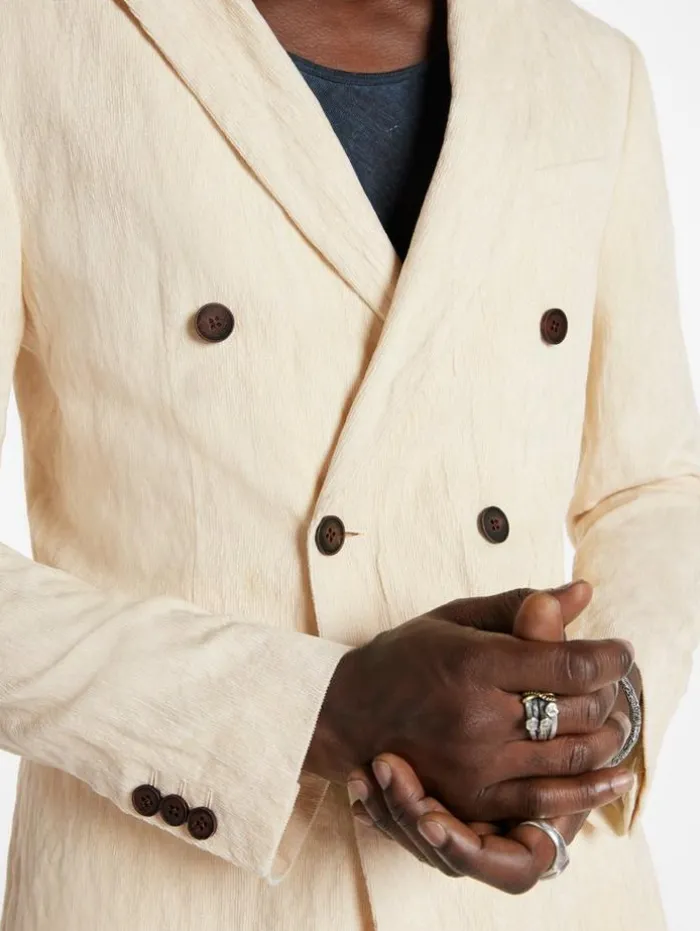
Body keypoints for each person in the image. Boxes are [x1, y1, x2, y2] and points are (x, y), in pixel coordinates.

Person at [0, 0, 698, 929]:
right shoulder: (34, 42)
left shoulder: (588, 69)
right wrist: (316, 709)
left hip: (554, 898)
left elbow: (652, 488)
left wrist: (586, 735)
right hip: (178, 894)